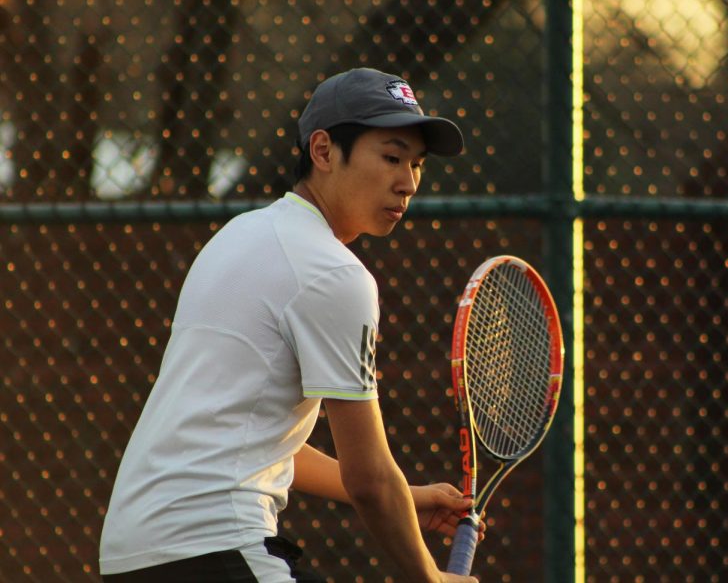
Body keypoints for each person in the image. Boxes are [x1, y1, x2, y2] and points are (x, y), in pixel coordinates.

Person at [99, 67, 482, 582]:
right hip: (215, 545)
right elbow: (370, 478)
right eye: (391, 157)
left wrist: (406, 497)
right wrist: (431, 577)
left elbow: (264, 442)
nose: (408, 182)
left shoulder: (240, 236)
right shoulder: (334, 275)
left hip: (135, 553)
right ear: (322, 152)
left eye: (416, 164)